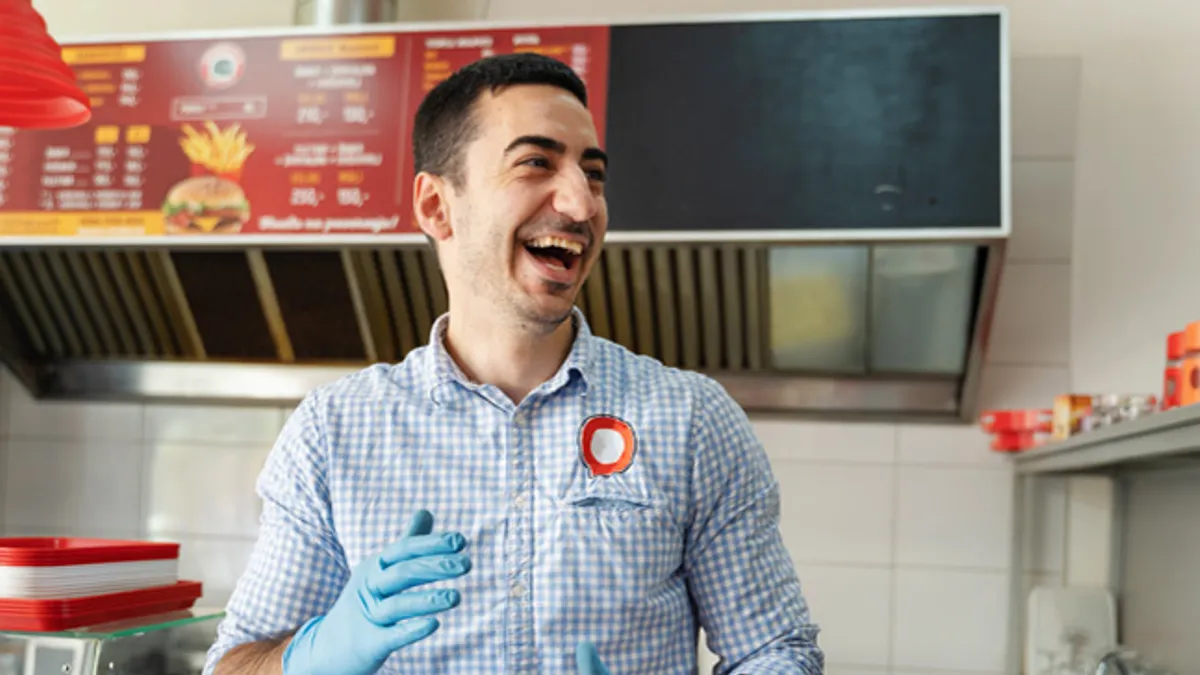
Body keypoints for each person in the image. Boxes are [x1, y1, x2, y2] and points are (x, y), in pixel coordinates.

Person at [204, 52, 823, 675]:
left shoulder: (690, 419)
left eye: (594, 173)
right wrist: (315, 656)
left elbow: (776, 652)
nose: (582, 205)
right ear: (437, 207)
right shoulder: (333, 433)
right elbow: (232, 665)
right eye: (536, 163)